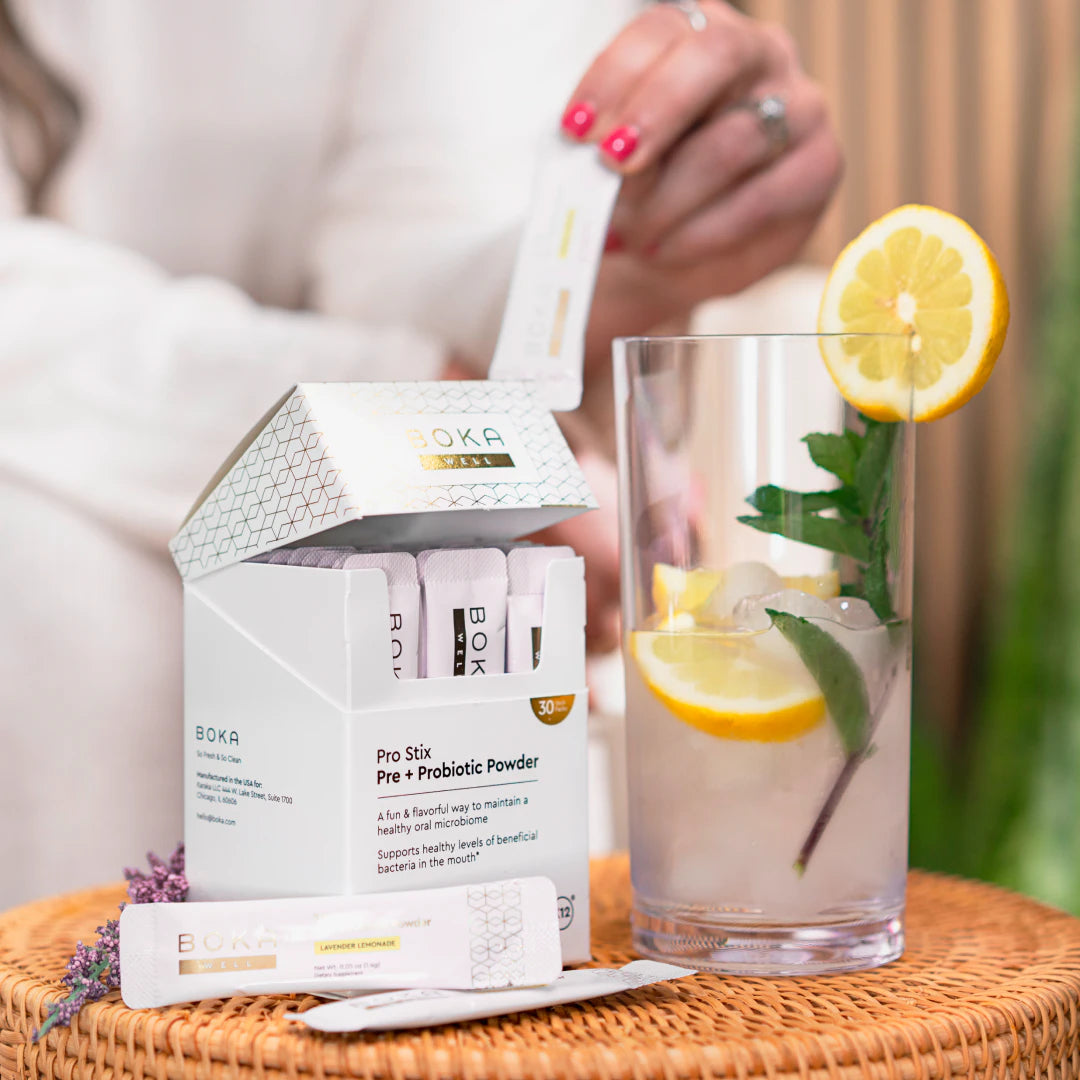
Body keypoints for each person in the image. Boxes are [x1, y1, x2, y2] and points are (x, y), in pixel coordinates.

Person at [0, 0, 840, 909]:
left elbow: (413, 251)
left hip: (413, 484)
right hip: (82, 476)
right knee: (45, 572)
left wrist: (623, 262)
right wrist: (445, 424)